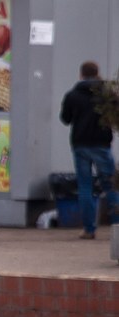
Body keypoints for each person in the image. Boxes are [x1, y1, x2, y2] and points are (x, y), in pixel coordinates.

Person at [59, 61, 119, 239]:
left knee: (85, 186)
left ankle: (89, 229)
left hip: (80, 144)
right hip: (102, 144)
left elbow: (65, 119)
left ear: (81, 75)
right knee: (110, 185)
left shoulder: (72, 95)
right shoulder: (107, 94)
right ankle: (117, 226)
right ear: (97, 73)